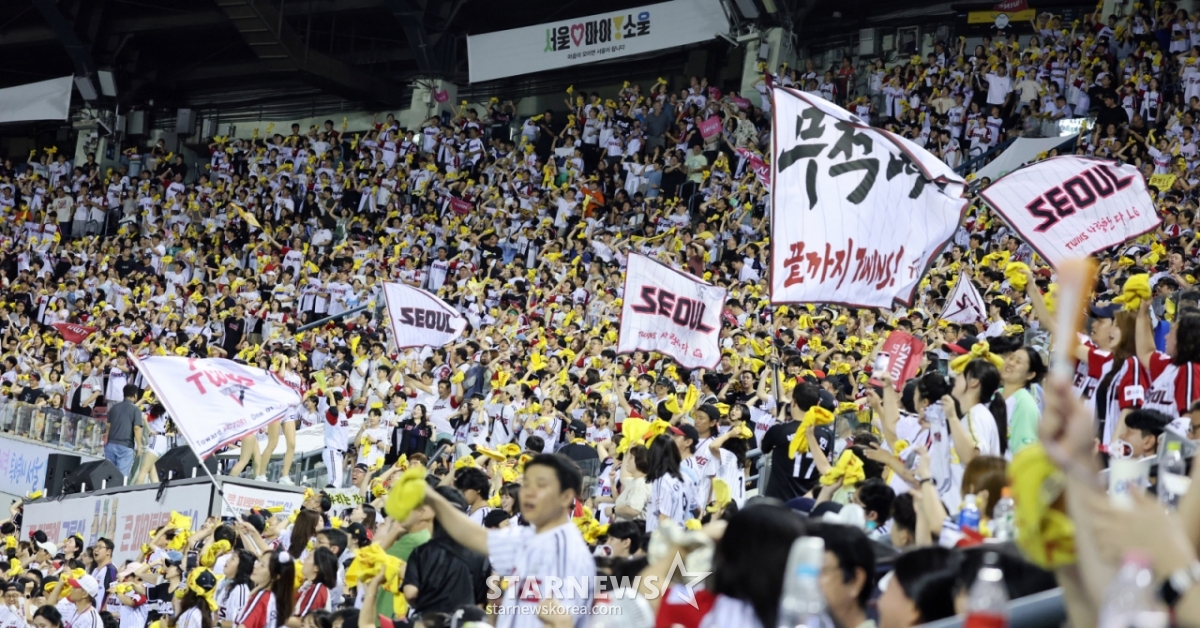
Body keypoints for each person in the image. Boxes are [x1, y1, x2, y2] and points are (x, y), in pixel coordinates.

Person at [422, 454, 596, 627]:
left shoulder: (568, 552)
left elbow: (563, 621)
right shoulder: (529, 535)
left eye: (541, 485)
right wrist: (427, 495)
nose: (528, 493)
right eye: (526, 484)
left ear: (566, 497)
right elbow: (473, 536)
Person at [400, 487, 491, 616]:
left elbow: (410, 593)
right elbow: (481, 604)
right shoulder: (479, 553)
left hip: (428, 621)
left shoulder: (422, 552)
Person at [103, 384, 146, 478]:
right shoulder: (136, 409)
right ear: (135, 395)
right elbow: (137, 428)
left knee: (109, 477)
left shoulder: (114, 407)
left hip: (110, 445)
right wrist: (139, 446)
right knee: (121, 478)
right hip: (125, 447)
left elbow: (108, 426)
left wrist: (106, 441)